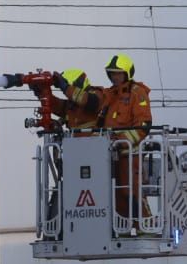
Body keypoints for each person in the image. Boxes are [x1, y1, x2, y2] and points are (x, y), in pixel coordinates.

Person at [100, 54, 153, 226]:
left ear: (127, 74)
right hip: (111, 154)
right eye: (112, 73)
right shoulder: (110, 94)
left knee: (131, 191)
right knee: (115, 194)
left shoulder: (138, 93)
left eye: (118, 73)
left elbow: (143, 126)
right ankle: (125, 227)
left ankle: (145, 226)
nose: (115, 77)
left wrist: (121, 141)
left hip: (130, 155)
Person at [51, 68, 103, 134]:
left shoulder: (96, 95)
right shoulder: (72, 104)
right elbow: (56, 105)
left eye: (71, 86)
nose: (67, 92)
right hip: (73, 141)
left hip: (94, 141)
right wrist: (42, 92)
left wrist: (65, 87)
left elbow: (88, 101)